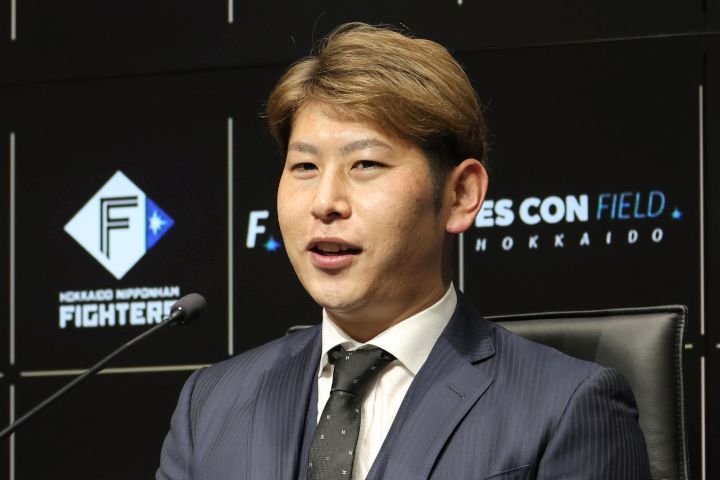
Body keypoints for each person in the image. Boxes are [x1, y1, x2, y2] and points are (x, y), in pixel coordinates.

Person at [157, 23, 650, 480]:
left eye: (366, 164)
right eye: (305, 167)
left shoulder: (565, 406)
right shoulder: (212, 405)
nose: (325, 202)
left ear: (460, 196)